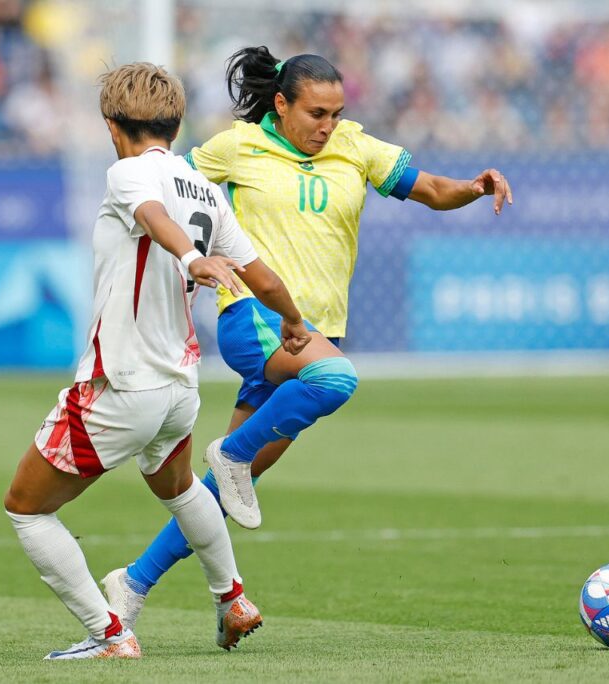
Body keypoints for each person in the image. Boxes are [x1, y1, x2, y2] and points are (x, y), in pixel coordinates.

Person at [102, 46, 513, 632]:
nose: (328, 126)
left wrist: (474, 187)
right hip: (254, 317)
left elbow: (430, 189)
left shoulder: (357, 148)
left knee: (215, 493)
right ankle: (234, 455)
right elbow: (164, 182)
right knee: (336, 378)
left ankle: (139, 585)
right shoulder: (236, 147)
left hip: (311, 333)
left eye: (336, 113)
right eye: (316, 113)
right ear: (280, 104)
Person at [2, 62, 311, 660]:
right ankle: (232, 598)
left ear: (111, 126)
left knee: (26, 508)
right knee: (178, 486)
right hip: (179, 386)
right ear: (177, 122)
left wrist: (190, 258)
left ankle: (109, 635)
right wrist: (293, 320)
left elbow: (153, 218)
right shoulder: (204, 187)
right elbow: (260, 275)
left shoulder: (126, 173)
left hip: (121, 384)